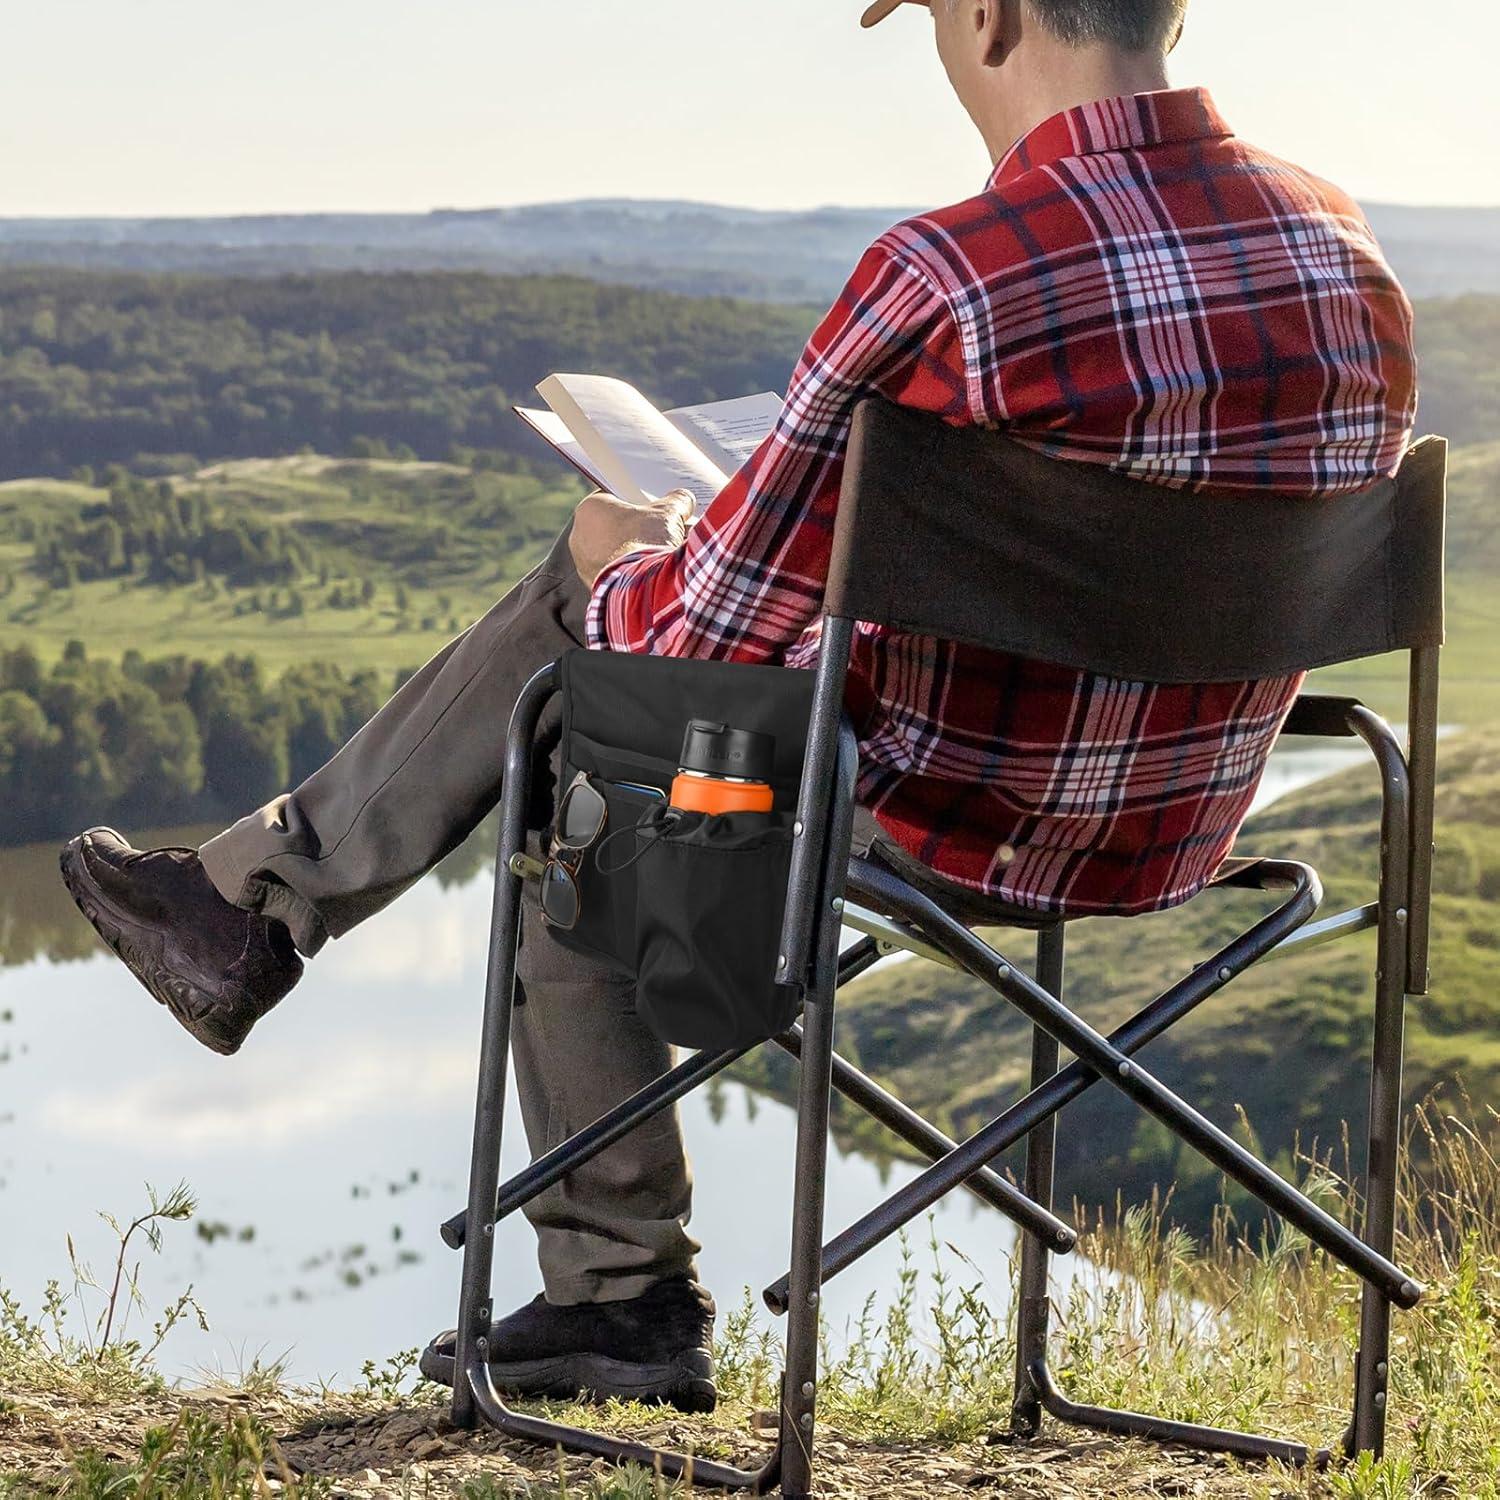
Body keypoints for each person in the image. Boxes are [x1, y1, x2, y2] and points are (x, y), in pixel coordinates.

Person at [60, 0, 1416, 1413]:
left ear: (998, 13)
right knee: (622, 636)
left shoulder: (950, 275)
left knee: (577, 694)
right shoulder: (1343, 251)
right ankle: (256, 907)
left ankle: (608, 1284)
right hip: (1182, 832)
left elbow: (700, 632)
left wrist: (632, 560)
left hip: (936, 821)